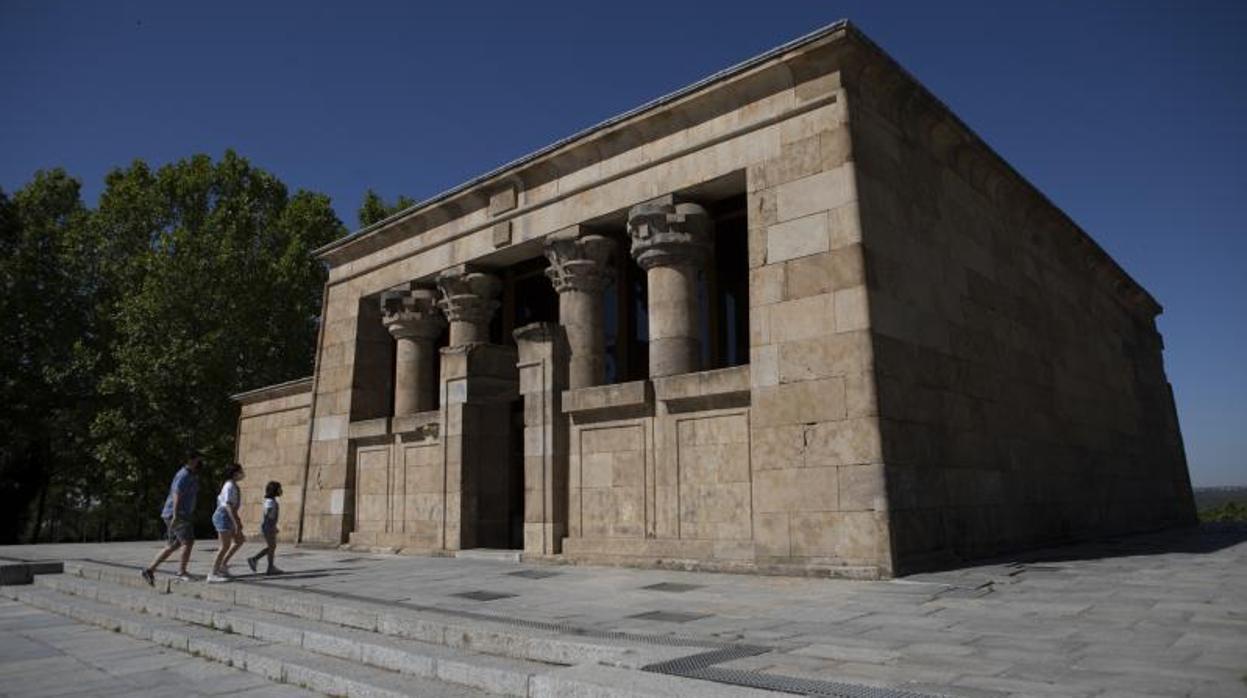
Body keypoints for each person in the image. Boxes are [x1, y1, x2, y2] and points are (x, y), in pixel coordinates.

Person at [141, 450, 203, 585]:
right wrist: (175, 513)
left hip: (177, 513)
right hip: (177, 514)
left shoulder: (191, 475)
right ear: (192, 460)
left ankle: (149, 570)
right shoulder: (184, 474)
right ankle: (181, 572)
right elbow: (176, 493)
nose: (200, 462)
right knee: (188, 541)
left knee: (173, 545)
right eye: (198, 459)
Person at [206, 463, 246, 583]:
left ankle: (223, 565)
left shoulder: (233, 485)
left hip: (228, 516)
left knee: (239, 540)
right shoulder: (229, 486)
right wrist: (236, 522)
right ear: (235, 473)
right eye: (240, 471)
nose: (242, 473)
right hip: (223, 516)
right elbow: (228, 506)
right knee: (224, 546)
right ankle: (212, 573)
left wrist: (237, 521)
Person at [246, 481, 284, 575]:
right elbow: (268, 514)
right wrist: (271, 526)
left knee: (272, 547)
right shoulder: (270, 502)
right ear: (274, 490)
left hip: (270, 526)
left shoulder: (272, 501)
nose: (281, 490)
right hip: (268, 527)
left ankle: (269, 566)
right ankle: (255, 560)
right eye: (279, 488)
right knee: (272, 547)